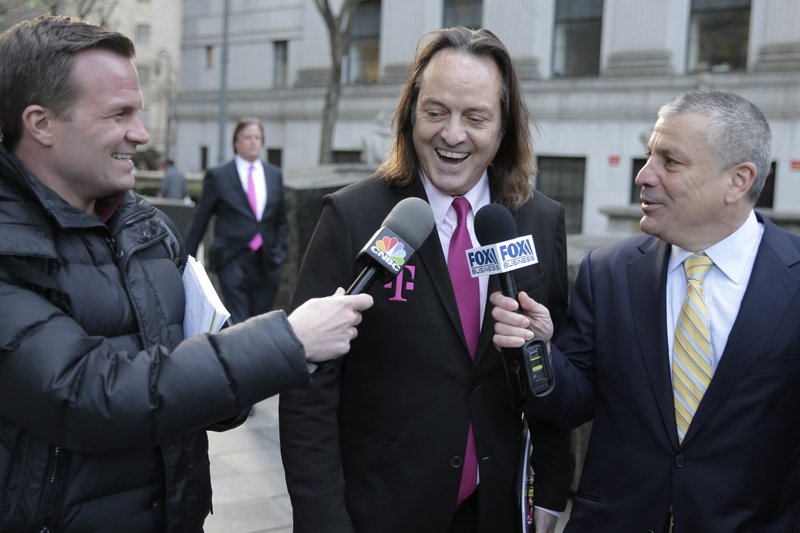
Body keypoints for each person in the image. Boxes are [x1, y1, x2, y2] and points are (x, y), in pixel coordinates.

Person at [0, 15, 372, 533]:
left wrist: (242, 378)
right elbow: (87, 393)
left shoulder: (147, 228)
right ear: (41, 123)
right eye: (118, 114)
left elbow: (208, 388)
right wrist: (285, 342)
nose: (141, 133)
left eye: (140, 111)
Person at [279, 27, 574, 533]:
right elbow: (308, 389)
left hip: (494, 510)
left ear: (503, 129)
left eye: (475, 117)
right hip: (379, 510)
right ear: (410, 114)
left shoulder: (539, 222)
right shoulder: (354, 217)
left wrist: (550, 490)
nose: (452, 134)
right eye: (436, 112)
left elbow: (553, 362)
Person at [492, 89, 800, 532]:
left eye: (670, 162)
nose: (644, 176)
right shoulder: (609, 271)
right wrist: (539, 349)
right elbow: (575, 401)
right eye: (649, 156)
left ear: (739, 180)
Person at [185, 117, 288, 323]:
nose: (253, 142)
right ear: (236, 142)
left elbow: (281, 220)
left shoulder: (274, 174)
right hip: (232, 259)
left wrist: (279, 253)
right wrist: (186, 262)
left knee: (261, 321)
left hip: (266, 260)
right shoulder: (219, 176)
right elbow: (201, 220)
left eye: (257, 137)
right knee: (240, 321)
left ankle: (258, 355)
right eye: (247, 137)